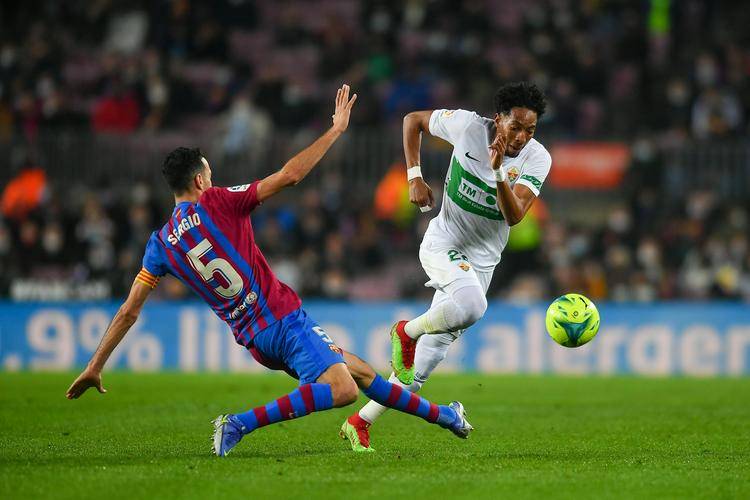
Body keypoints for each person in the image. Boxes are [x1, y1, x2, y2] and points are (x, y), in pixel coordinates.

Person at [65, 85, 473, 457]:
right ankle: (237, 424)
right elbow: (290, 176)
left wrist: (95, 364)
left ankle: (446, 416)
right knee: (343, 389)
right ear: (200, 180)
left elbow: (129, 311)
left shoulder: (160, 245)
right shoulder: (217, 202)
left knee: (362, 372)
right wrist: (335, 130)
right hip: (283, 319)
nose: (213, 179)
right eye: (210, 174)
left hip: (256, 340)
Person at [341, 82, 550, 451]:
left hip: (481, 264)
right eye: (515, 126)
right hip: (444, 244)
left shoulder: (537, 159)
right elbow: (412, 120)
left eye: (530, 130)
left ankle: (359, 422)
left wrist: (499, 173)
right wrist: (414, 176)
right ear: (498, 119)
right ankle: (406, 331)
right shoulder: (467, 126)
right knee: (473, 306)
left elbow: (514, 215)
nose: (521, 137)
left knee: (420, 368)